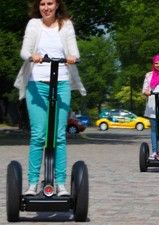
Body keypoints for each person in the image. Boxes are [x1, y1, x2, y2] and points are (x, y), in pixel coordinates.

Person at [14, 0, 86, 196]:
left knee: (59, 136)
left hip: (61, 83)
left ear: (57, 5)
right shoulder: (33, 25)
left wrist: (72, 57)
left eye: (50, 3)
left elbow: (74, 52)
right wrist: (32, 55)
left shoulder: (66, 24)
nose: (46, 8)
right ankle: (32, 184)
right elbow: (24, 51)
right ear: (39, 6)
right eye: (43, 4)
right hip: (36, 85)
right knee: (38, 135)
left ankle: (60, 184)